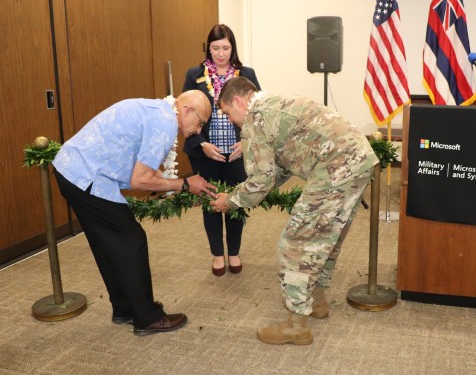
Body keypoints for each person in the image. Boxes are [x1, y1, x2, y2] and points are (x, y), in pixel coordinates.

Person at [211, 76, 379, 345]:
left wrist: (230, 200)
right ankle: (317, 300)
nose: (232, 121)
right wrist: (244, 193)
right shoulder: (274, 104)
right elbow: (283, 166)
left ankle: (296, 325)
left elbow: (261, 178)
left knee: (296, 244)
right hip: (358, 161)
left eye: (229, 114)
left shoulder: (255, 119)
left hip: (336, 168)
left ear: (239, 102)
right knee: (325, 236)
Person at [52, 90, 217, 337]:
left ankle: (125, 308)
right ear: (187, 110)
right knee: (131, 240)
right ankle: (147, 317)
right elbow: (140, 180)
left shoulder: (155, 111)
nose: (198, 130)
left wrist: (185, 186)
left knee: (107, 242)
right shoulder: (164, 123)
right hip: (87, 176)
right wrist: (185, 184)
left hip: (72, 170)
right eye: (201, 122)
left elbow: (143, 173)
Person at [182, 24, 261, 277]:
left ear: (232, 47)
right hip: (206, 151)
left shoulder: (246, 73)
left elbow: (257, 112)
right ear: (209, 48)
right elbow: (186, 112)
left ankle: (234, 251)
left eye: (225, 48)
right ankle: (217, 254)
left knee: (236, 201)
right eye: (215, 48)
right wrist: (202, 143)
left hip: (237, 151)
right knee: (211, 201)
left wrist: (246, 142)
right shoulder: (195, 74)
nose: (220, 53)